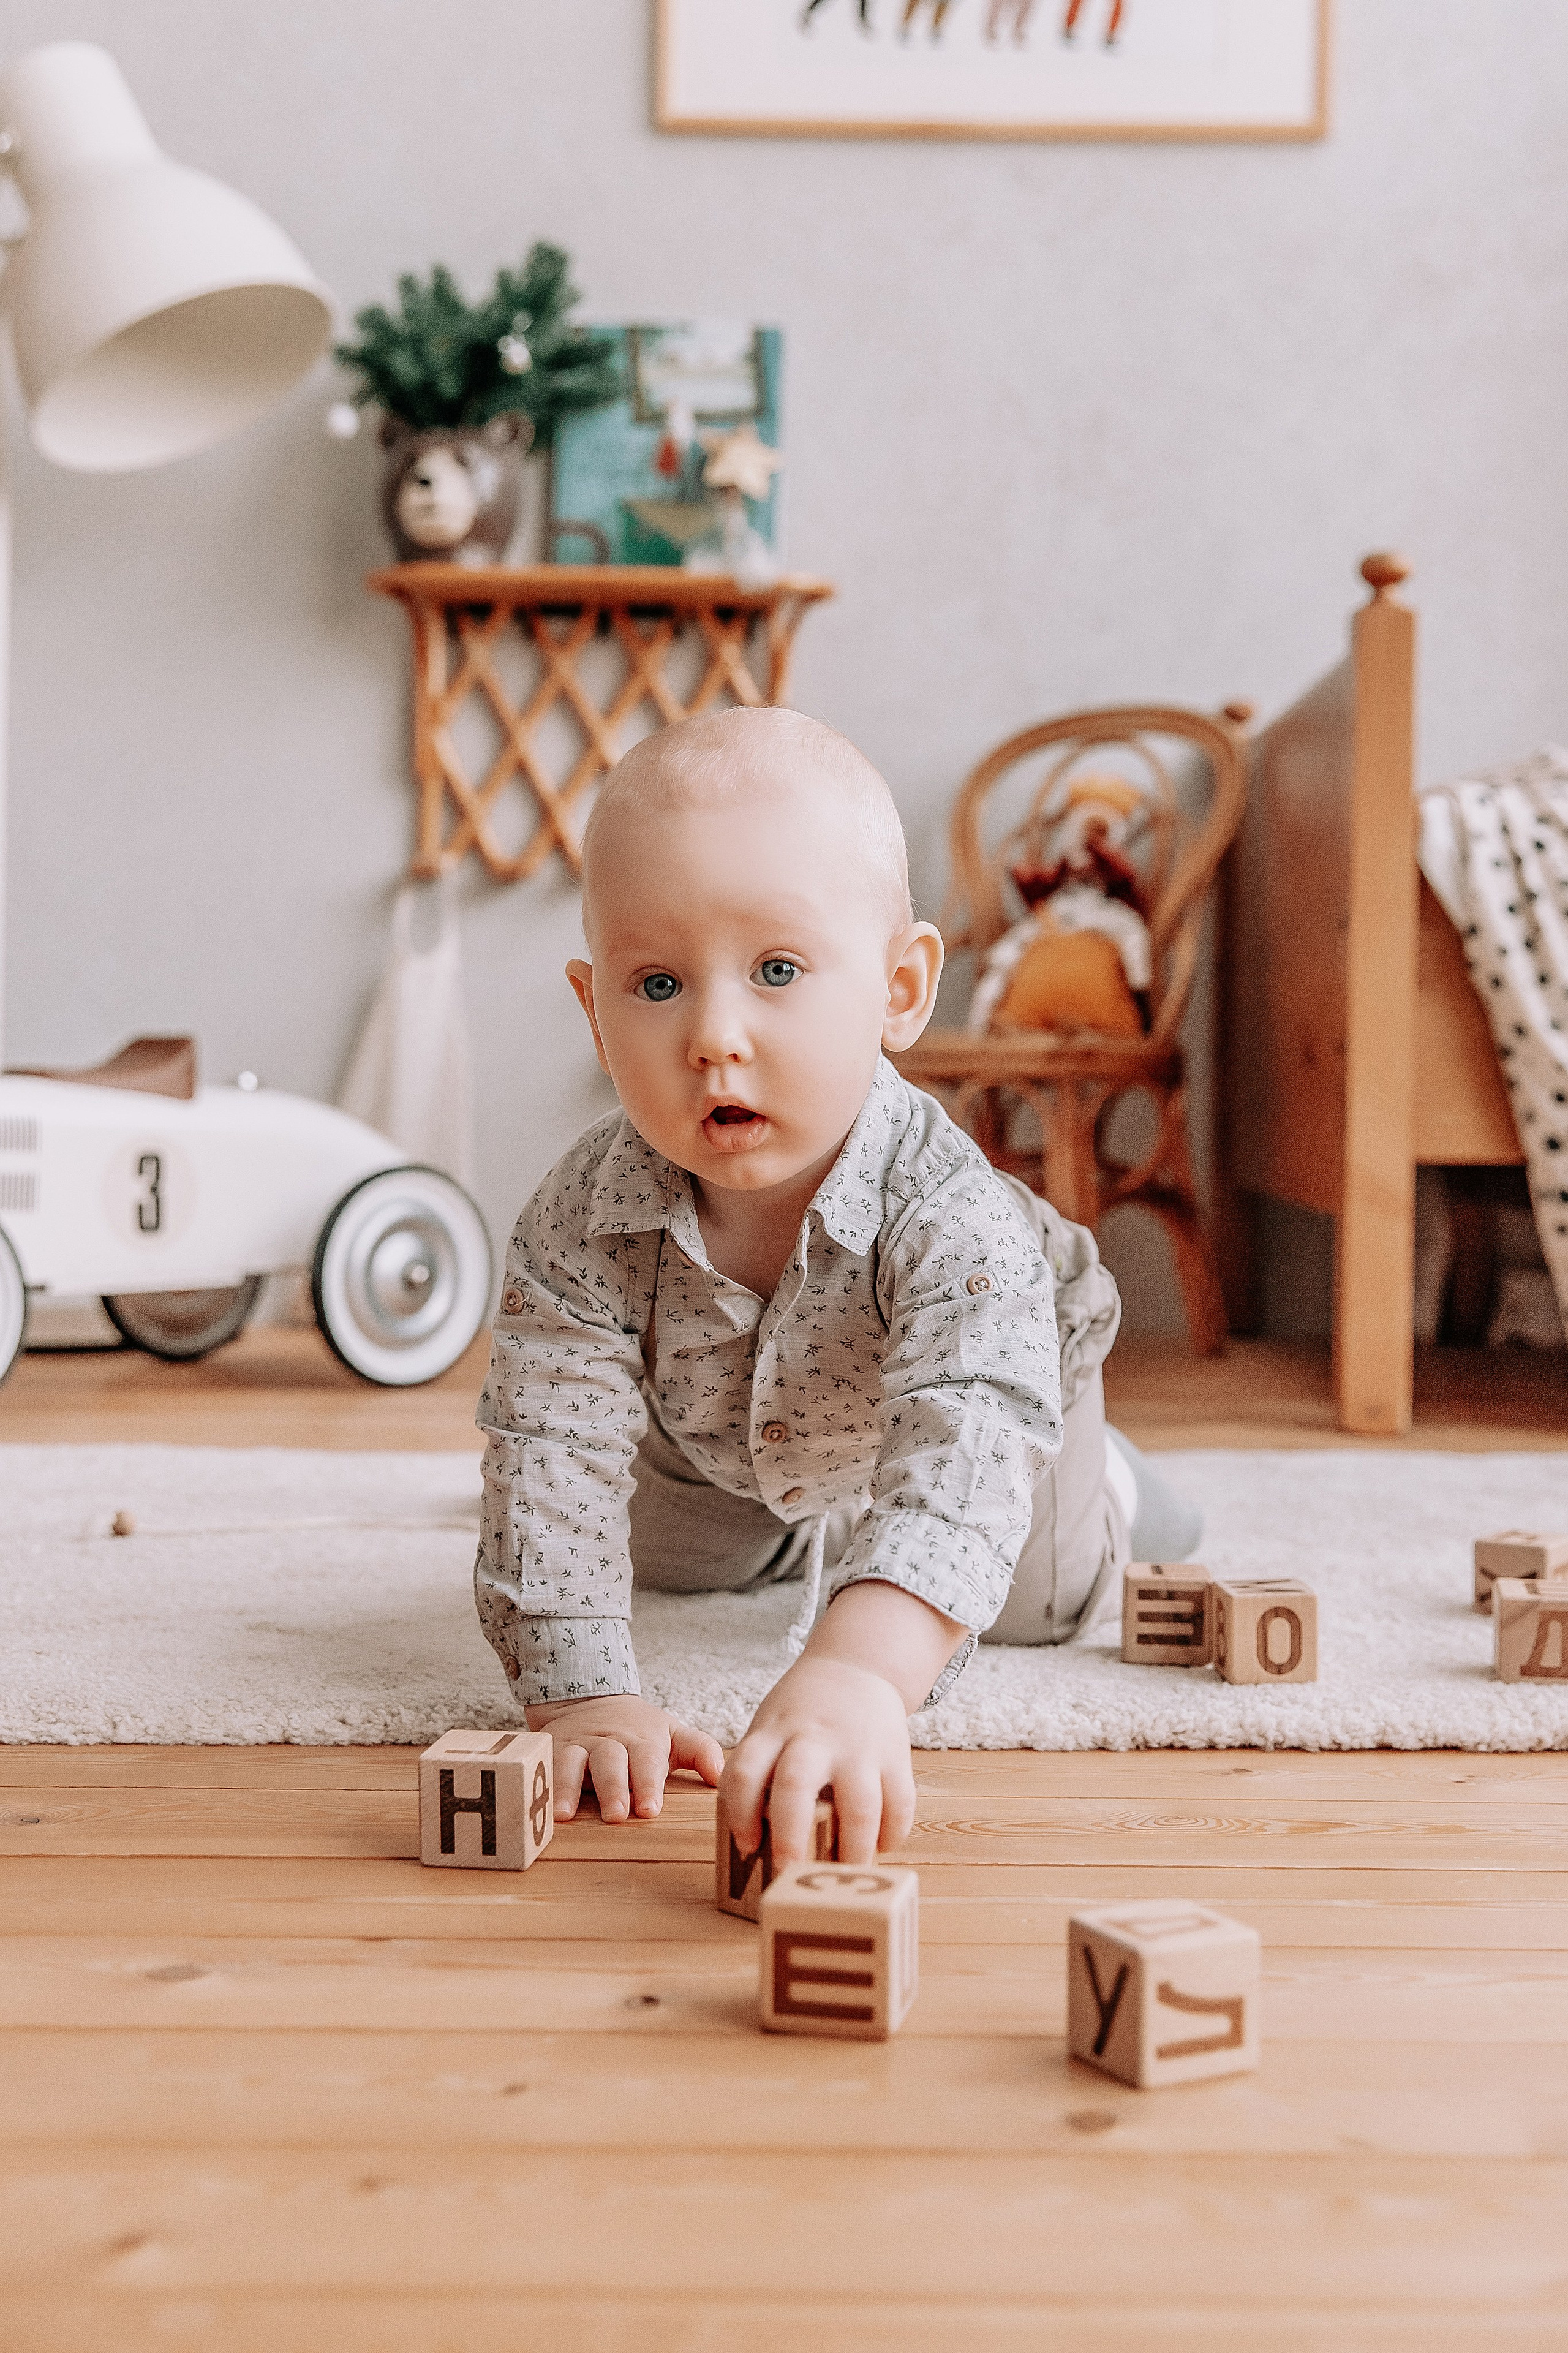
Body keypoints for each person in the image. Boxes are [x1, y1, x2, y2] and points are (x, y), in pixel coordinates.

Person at [473, 706, 1198, 1870]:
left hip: (1002, 1388)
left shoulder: (946, 1208)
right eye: (655, 982)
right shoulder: (578, 1217)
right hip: (724, 1426)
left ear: (900, 988)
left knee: (1027, 1597)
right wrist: (580, 1699)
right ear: (594, 1013)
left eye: (776, 970)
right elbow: (551, 1441)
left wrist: (858, 1671)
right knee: (659, 1564)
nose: (715, 1035)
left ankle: (1109, 1484)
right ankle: (793, 1526)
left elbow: (965, 1426)